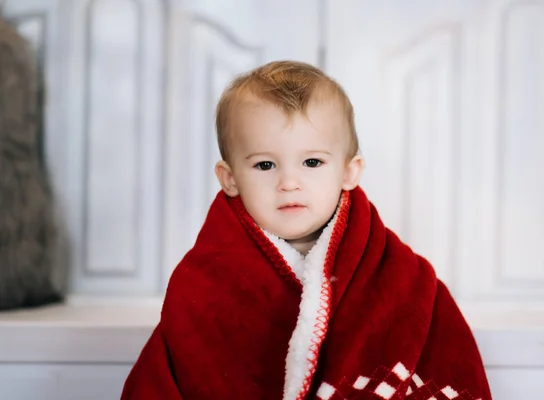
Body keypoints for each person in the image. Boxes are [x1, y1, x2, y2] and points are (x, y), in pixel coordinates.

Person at [121, 60, 492, 400]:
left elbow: (443, 359)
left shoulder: (402, 278)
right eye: (265, 165)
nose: (289, 182)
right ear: (230, 178)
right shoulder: (201, 283)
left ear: (349, 171)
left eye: (311, 162)